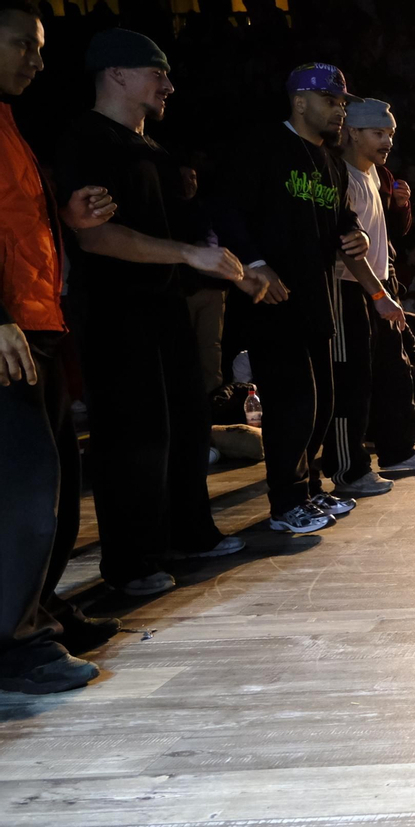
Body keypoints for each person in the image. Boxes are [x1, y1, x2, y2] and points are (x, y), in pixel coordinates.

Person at [55, 27, 262, 593]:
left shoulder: (154, 151)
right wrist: (189, 253)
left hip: (165, 303)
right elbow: (97, 238)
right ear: (117, 74)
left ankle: (188, 534)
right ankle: (129, 564)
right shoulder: (86, 141)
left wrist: (237, 265)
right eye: (157, 72)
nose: (169, 84)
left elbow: (182, 227)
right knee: (133, 436)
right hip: (117, 311)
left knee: (186, 426)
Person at [1, 0, 125, 693]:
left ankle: (36, 610)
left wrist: (64, 217)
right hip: (7, 331)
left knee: (54, 489)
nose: (36, 59)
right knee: (20, 495)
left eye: (40, 47)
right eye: (21, 43)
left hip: (38, 324)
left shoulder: (9, 121)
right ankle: (12, 643)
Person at [213, 62, 387, 535]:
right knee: (291, 402)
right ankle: (286, 504)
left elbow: (341, 221)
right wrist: (252, 262)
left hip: (315, 298)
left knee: (321, 402)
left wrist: (356, 238)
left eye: (343, 104)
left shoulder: (330, 161)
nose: (339, 112)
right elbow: (227, 209)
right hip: (272, 300)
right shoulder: (263, 146)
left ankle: (307, 490)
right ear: (300, 101)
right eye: (332, 101)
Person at [318, 98, 415, 498]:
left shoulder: (374, 175)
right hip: (349, 287)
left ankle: (397, 451)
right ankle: (347, 468)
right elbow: (345, 247)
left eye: (390, 134)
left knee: (392, 369)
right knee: (352, 379)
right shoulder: (338, 174)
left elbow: (381, 234)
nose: (387, 141)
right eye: (378, 133)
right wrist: (377, 292)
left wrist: (385, 287)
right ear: (352, 131)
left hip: (379, 284)